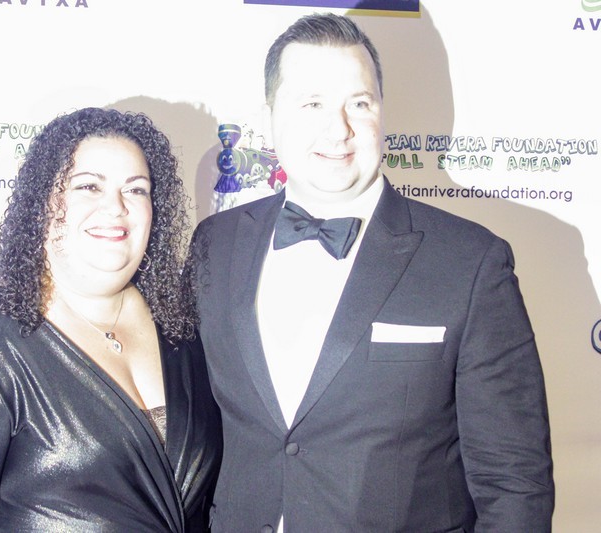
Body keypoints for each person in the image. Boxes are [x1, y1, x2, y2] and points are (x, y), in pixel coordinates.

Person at [188, 13, 554, 532]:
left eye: (359, 104)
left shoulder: (470, 263)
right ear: (269, 118)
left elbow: (515, 484)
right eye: (312, 104)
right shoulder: (214, 245)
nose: (338, 129)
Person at [0, 107, 222, 532]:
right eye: (89, 186)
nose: (116, 207)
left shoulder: (181, 327)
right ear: (43, 202)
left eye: (136, 189)